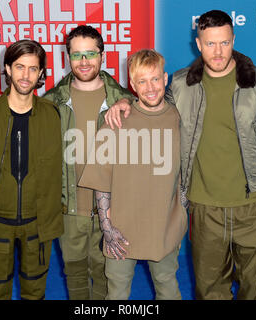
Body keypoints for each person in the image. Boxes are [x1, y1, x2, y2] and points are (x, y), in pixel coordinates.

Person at [104, 10, 256, 300]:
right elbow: (153, 105)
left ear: (233, 40)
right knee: (208, 291)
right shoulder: (181, 84)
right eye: (210, 44)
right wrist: (125, 101)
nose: (218, 52)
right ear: (198, 43)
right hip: (204, 209)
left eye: (224, 43)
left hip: (255, 207)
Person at [78, 49, 187, 300]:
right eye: (142, 81)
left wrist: (180, 216)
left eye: (155, 79)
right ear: (132, 84)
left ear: (165, 78)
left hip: (164, 228)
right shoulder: (116, 120)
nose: (150, 87)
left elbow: (186, 172)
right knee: (116, 293)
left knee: (168, 288)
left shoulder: (179, 118)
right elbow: (101, 181)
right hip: (121, 231)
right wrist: (107, 228)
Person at [43, 25, 134, 300]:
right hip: (68, 210)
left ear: (103, 56)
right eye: (77, 54)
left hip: (112, 211)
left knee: (108, 278)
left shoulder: (126, 102)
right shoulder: (50, 104)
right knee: (75, 276)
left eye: (90, 54)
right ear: (67, 57)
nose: (84, 62)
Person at [0, 39, 62, 300]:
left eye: (33, 69)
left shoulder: (52, 115)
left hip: (38, 223)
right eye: (20, 67)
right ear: (8, 69)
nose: (26, 75)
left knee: (35, 293)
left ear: (41, 73)